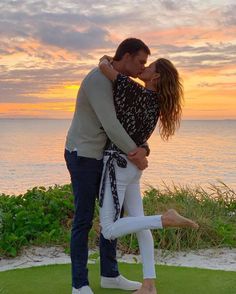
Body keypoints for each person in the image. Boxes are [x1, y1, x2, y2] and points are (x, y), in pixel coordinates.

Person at [98, 56, 199, 294]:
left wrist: (107, 60)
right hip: (132, 168)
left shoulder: (136, 92)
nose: (143, 67)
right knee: (141, 226)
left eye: (149, 66)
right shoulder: (155, 103)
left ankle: (164, 219)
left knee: (109, 228)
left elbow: (104, 68)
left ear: (156, 77)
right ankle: (149, 284)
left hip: (117, 165)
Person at [65, 38, 154, 294]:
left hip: (104, 157)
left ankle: (109, 275)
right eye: (140, 62)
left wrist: (143, 146)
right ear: (125, 56)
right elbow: (112, 124)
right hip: (83, 155)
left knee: (112, 217)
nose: (141, 68)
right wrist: (135, 154)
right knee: (83, 219)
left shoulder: (120, 83)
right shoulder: (98, 80)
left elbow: (129, 123)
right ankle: (79, 284)